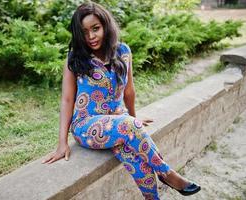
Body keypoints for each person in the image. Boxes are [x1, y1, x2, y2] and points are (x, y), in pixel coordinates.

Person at [42, 2, 201, 199]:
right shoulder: (75, 58)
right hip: (86, 124)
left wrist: (134, 120)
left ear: (106, 26)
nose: (91, 36)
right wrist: (62, 143)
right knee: (130, 133)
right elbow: (67, 100)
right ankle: (167, 173)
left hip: (119, 121)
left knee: (137, 160)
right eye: (84, 32)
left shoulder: (123, 51)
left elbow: (129, 91)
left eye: (95, 28)